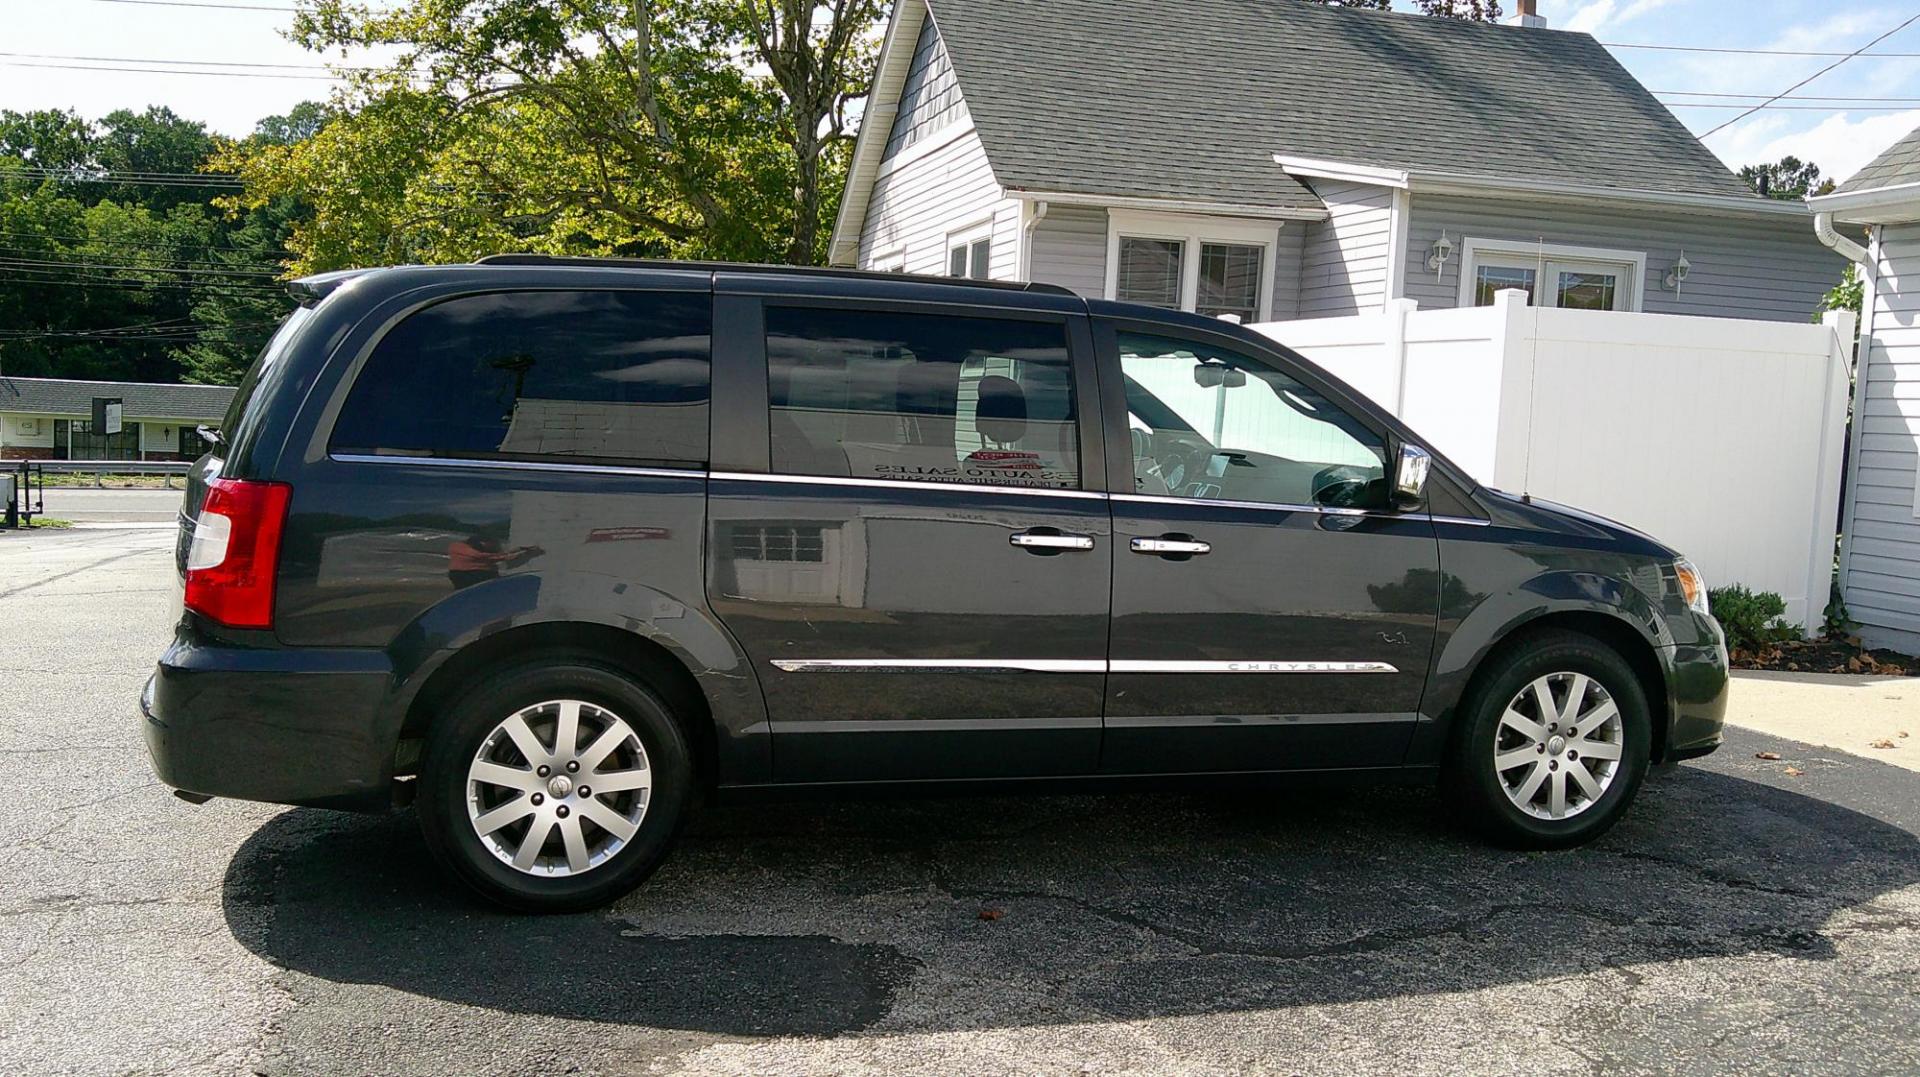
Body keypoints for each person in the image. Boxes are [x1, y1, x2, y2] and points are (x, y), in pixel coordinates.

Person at [445, 533, 539, 590]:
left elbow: (499, 556)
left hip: (466, 574)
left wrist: (520, 549)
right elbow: (492, 556)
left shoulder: (457, 547)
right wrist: (521, 552)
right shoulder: (460, 547)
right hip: (472, 575)